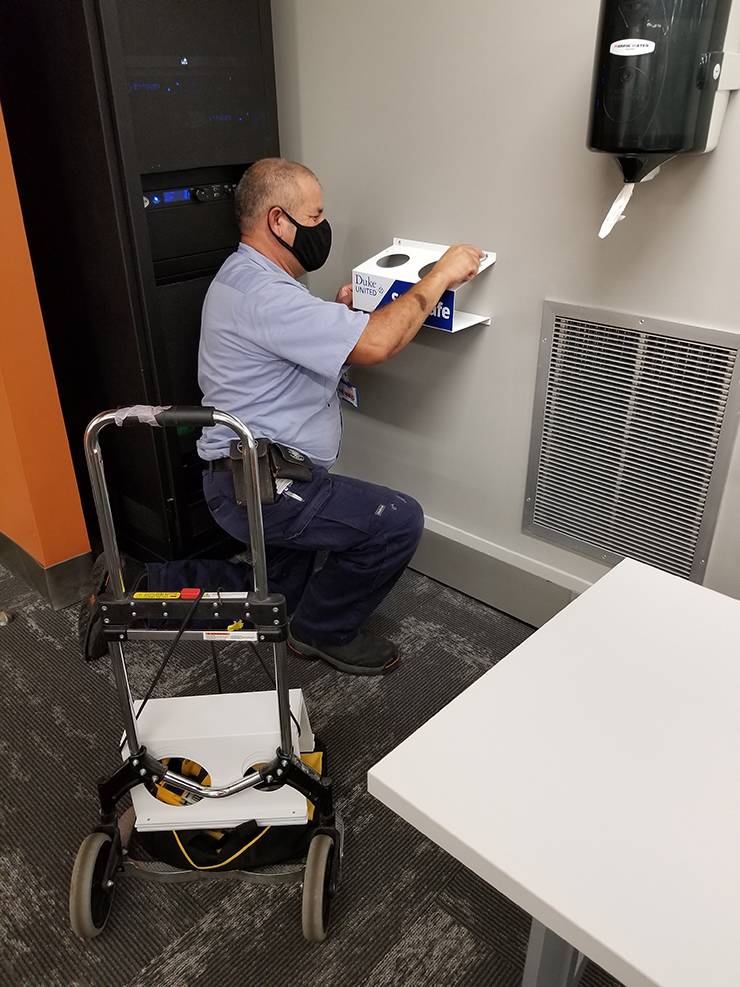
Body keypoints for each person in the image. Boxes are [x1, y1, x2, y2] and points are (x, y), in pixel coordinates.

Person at [80, 159, 483, 676]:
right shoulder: (264, 294)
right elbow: (380, 342)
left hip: (252, 473)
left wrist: (339, 317)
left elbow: (294, 341)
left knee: (274, 592)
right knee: (397, 522)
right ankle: (322, 632)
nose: (322, 226)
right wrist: (441, 274)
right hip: (261, 483)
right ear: (278, 221)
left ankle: (133, 582)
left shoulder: (249, 276)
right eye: (315, 215)